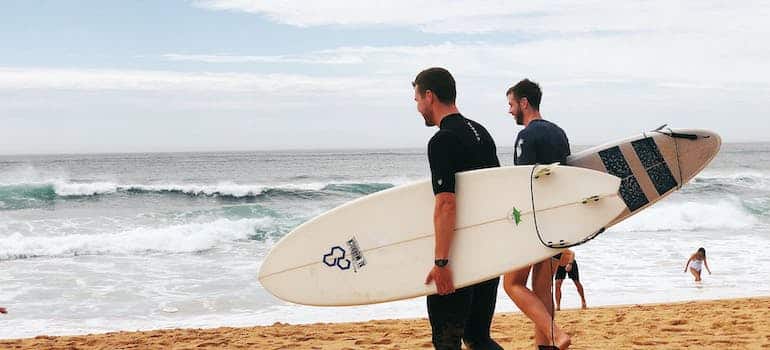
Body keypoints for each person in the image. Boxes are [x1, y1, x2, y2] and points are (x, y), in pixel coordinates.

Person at [414, 67, 503, 350]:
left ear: (430, 96)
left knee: (446, 341)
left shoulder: (442, 140)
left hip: (459, 258)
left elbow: (446, 202)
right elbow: (497, 189)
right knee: (477, 337)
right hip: (489, 252)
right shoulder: (481, 132)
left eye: (416, 99)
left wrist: (442, 263)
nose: (417, 107)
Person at [501, 79, 571, 350]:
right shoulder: (559, 133)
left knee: (512, 284)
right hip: (560, 220)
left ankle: (555, 334)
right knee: (542, 289)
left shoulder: (527, 136)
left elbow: (524, 182)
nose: (509, 111)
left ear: (524, 103)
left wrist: (513, 221)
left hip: (535, 222)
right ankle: (548, 346)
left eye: (511, 104)